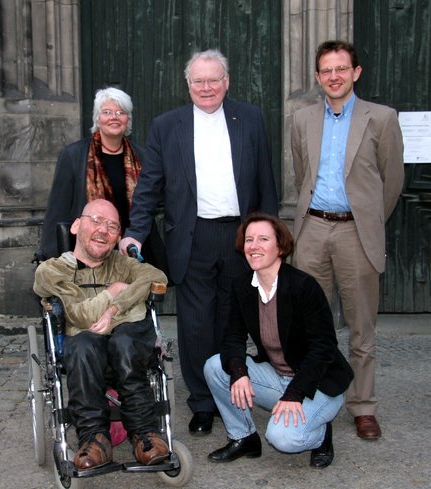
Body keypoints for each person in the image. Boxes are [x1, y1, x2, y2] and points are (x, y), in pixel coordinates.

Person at [119, 49, 279, 436]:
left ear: (226, 82)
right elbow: (149, 188)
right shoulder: (166, 126)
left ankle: (232, 395)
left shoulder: (251, 119)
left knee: (234, 318)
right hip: (192, 236)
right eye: (198, 81)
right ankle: (202, 402)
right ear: (188, 85)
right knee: (194, 325)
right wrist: (135, 232)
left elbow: (266, 182)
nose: (206, 87)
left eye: (213, 80)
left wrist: (270, 234)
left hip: (240, 234)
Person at [291, 40, 404, 440]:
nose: (334, 76)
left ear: (355, 72)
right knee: (309, 324)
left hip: (357, 231)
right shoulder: (302, 119)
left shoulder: (382, 118)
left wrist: (368, 221)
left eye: (341, 69)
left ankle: (362, 406)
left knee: (361, 326)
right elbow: (302, 173)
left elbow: (392, 183)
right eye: (326, 70)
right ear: (318, 77)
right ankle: (316, 396)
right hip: (313, 231)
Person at [204, 212, 353, 469]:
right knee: (216, 367)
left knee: (283, 438)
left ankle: (320, 435)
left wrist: (295, 393)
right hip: (277, 378)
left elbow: (324, 347)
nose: (254, 246)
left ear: (280, 247)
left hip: (318, 384)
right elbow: (232, 337)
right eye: (249, 240)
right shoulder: (242, 286)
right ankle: (244, 437)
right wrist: (239, 372)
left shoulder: (303, 287)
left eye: (263, 239)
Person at [33, 199, 169, 469]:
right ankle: (94, 439)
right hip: (85, 354)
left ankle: (145, 432)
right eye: (95, 221)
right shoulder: (52, 271)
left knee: (126, 339)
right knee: (82, 343)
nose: (103, 230)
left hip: (127, 349)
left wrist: (115, 307)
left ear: (117, 236)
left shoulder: (123, 265)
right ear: (75, 226)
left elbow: (156, 277)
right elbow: (78, 316)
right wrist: (113, 290)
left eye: (112, 226)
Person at [38, 87, 167, 274]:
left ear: (128, 120)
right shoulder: (74, 155)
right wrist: (50, 256)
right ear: (97, 118)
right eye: (107, 112)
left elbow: (155, 202)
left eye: (120, 112)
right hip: (90, 252)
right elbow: (58, 209)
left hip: (132, 250)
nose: (114, 117)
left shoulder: (143, 157)